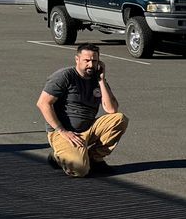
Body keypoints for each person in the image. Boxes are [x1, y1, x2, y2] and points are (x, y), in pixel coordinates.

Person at [38, 45, 127, 177]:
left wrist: (101, 80)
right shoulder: (64, 76)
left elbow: (111, 109)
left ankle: (94, 158)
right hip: (63, 132)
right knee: (80, 170)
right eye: (87, 60)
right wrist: (62, 131)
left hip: (87, 129)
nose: (91, 65)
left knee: (119, 119)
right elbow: (43, 103)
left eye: (94, 61)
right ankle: (58, 156)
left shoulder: (97, 79)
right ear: (77, 59)